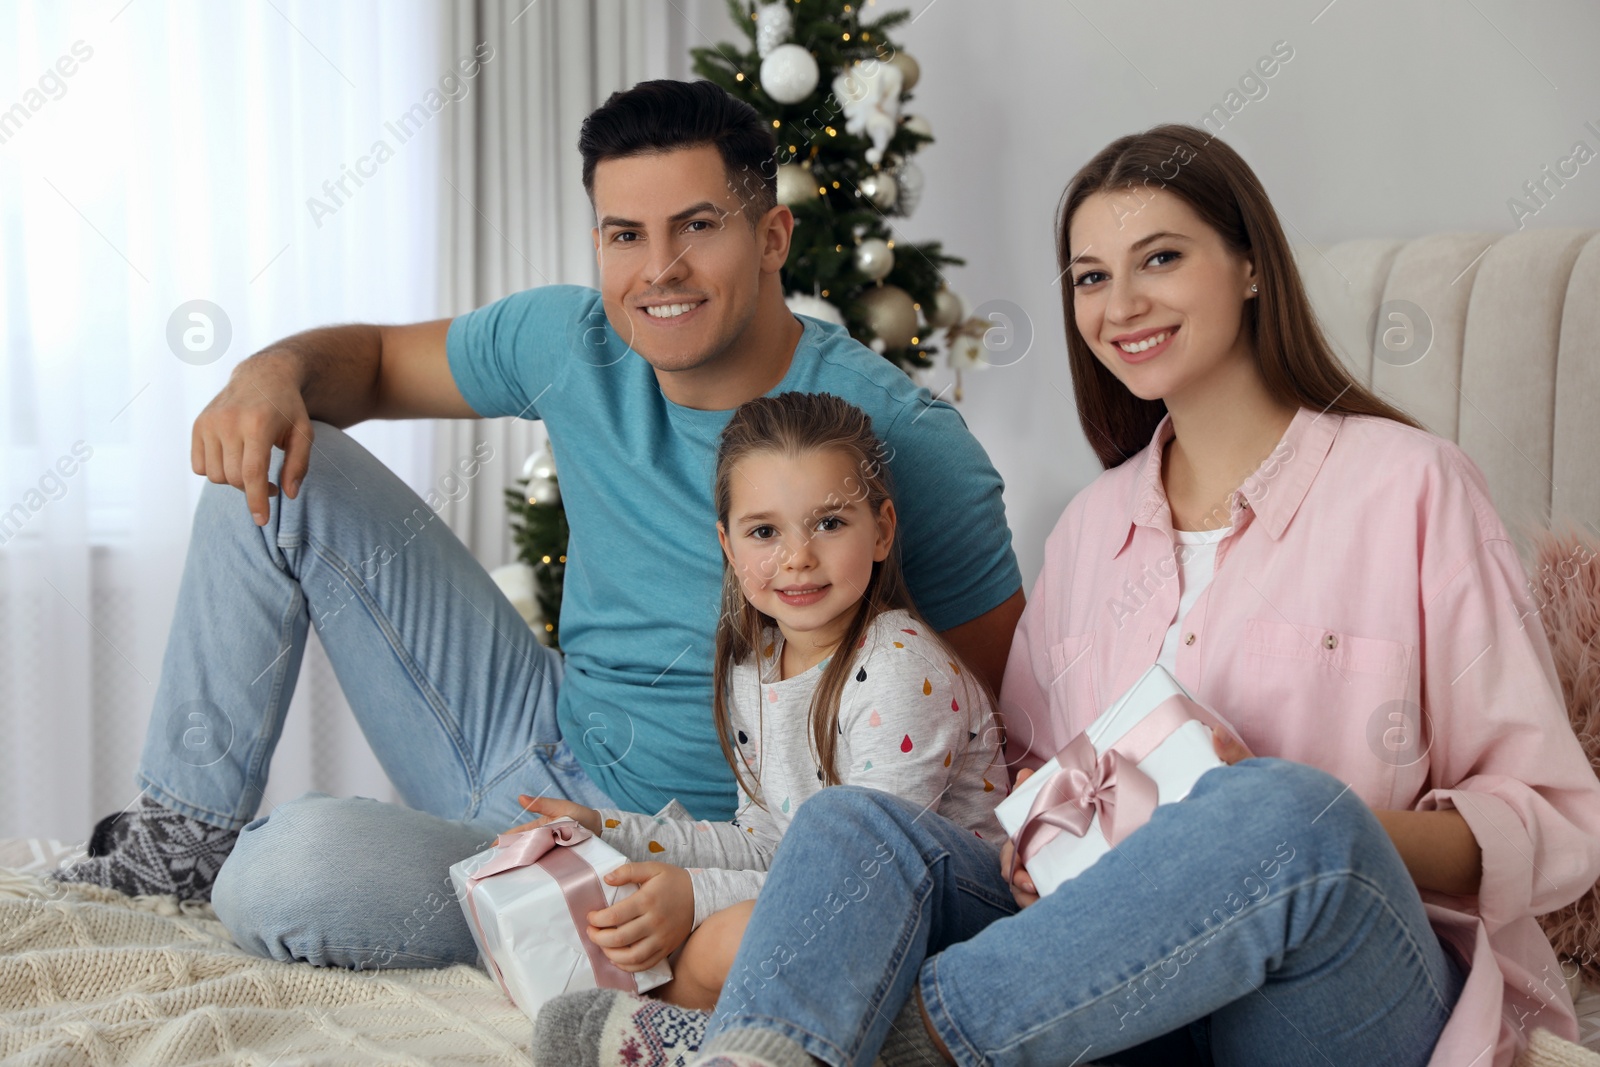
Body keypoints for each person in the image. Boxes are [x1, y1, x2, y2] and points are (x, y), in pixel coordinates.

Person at [548, 125, 1600, 1067]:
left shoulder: (1407, 483)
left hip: (1335, 986)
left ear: (1245, 266)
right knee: (851, 825)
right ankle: (759, 1053)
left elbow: (1551, 818)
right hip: (1114, 986)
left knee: (1278, 807)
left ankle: (894, 1044)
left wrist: (1272, 820)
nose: (1121, 302)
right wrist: (1035, 839)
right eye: (1089, 277)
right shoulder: (1094, 528)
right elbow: (1021, 784)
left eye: (1159, 259)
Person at [48, 80, 1025, 974]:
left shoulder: (898, 438)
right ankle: (176, 843)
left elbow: (990, 721)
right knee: (267, 465)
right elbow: (380, 361)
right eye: (623, 235)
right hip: (530, 727)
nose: (659, 270)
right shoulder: (572, 339)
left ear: (772, 236)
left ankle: (410, 868)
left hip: (668, 843)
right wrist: (266, 374)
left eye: (697, 226)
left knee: (288, 876)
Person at [515, 392, 1004, 1025]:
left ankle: (649, 1031)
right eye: (765, 531)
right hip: (841, 908)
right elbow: (764, 844)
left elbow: (872, 876)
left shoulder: (899, 669)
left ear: (881, 529)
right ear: (728, 543)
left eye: (829, 523)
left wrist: (698, 898)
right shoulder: (755, 666)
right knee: (653, 912)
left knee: (729, 934)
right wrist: (606, 830)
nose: (797, 556)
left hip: (948, 919)